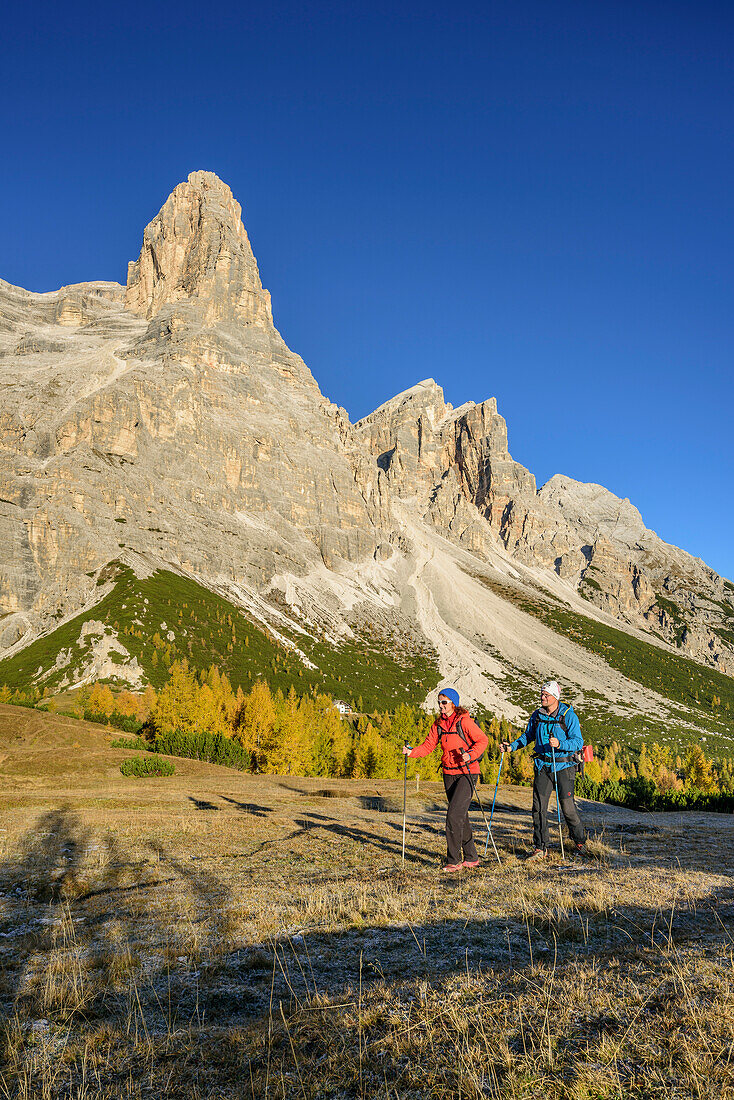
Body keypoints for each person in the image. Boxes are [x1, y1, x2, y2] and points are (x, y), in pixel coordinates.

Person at [403, 688, 488, 872]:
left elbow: (482, 740)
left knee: (453, 815)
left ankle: (454, 861)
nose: (441, 706)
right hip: (448, 774)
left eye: (444, 702)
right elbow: (427, 746)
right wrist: (411, 752)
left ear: (453, 704)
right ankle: (472, 857)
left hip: (467, 772)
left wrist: (470, 755)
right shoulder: (438, 725)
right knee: (460, 816)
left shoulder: (465, 722)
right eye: (439, 702)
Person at [501, 680, 585, 860]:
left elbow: (578, 742)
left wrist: (561, 744)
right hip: (542, 766)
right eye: (541, 694)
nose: (542, 697)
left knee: (568, 808)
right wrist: (511, 747)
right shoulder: (537, 715)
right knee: (538, 808)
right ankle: (540, 847)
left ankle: (579, 842)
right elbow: (528, 736)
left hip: (564, 766)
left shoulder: (568, 716)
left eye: (546, 695)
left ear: (555, 697)